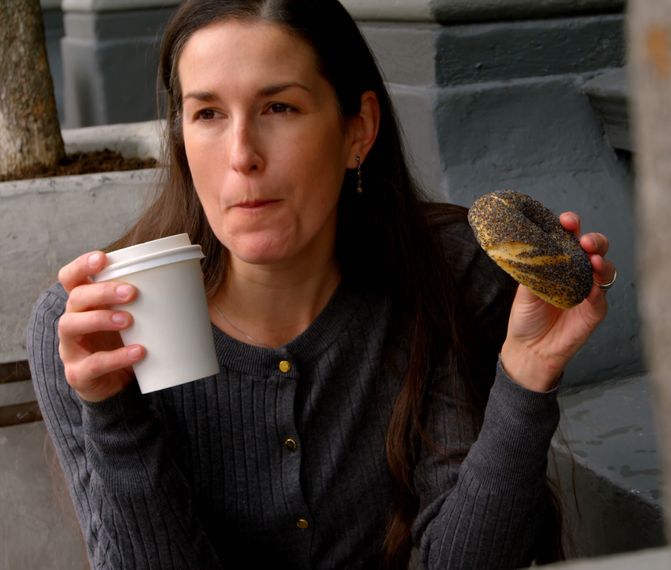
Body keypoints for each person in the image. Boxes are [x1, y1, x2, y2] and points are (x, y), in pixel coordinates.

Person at [25, 1, 616, 568]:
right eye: (207, 113)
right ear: (180, 136)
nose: (242, 156)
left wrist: (525, 377)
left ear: (357, 131)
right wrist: (112, 412)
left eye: (278, 107)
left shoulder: (448, 275)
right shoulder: (90, 330)